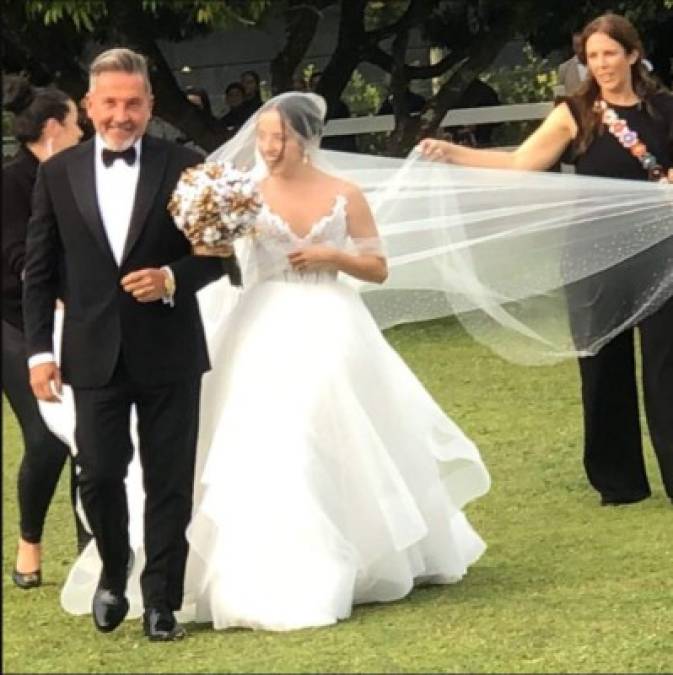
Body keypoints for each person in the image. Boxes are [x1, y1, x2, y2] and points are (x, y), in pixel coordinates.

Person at [55, 92, 491, 631]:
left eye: (279, 137)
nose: (268, 147)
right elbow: (211, 260)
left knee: (328, 431)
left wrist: (332, 256)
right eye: (262, 136)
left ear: (306, 141)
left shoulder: (344, 193)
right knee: (262, 439)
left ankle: (350, 553)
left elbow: (378, 268)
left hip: (329, 320)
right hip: (261, 320)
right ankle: (254, 565)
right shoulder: (243, 194)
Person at [22, 47, 240, 640]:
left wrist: (172, 278)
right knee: (98, 474)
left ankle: (162, 600)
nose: (122, 114)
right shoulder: (56, 174)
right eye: (110, 102)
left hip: (169, 349)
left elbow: (218, 257)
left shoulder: (187, 165)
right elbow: (39, 271)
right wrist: (40, 351)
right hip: (90, 355)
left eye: (134, 103)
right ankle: (114, 573)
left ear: (151, 105)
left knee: (169, 479)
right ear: (90, 107)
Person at [418, 13, 673, 507]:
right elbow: (520, 163)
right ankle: (618, 482)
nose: (601, 64)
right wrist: (453, 154)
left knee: (667, 363)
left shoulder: (665, 108)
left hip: (662, 251)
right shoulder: (575, 112)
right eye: (592, 56)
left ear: (632, 55)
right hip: (594, 254)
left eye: (610, 54)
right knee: (601, 364)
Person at [2, 75, 90, 590]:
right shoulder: (10, 183)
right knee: (45, 438)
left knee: (89, 435)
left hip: (74, 318)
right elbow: (13, 255)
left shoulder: (79, 175)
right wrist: (54, 279)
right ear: (55, 127)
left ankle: (92, 547)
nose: (83, 131)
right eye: (77, 122)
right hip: (13, 321)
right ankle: (29, 541)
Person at [309, 70, 358, 152]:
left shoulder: (340, 106)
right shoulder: (308, 107)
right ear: (310, 87)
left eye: (321, 85)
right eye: (314, 85)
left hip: (340, 153)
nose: (318, 88)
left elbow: (347, 136)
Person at [557, 31, 588, 96]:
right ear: (573, 47)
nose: (581, 49)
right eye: (577, 46)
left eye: (583, 45)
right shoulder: (564, 69)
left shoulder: (597, 65)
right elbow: (560, 97)